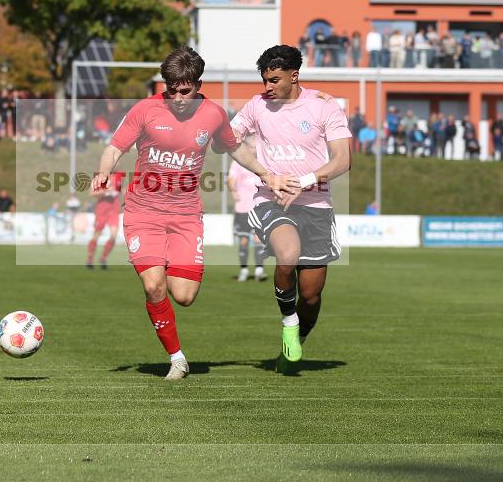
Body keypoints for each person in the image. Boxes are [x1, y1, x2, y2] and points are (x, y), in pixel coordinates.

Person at [90, 47, 244, 381]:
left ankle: (174, 271)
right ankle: (177, 359)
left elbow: (234, 148)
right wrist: (104, 171)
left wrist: (268, 173)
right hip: (142, 212)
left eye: (184, 90)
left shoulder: (214, 114)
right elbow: (115, 147)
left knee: (184, 296)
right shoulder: (145, 109)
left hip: (186, 216)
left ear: (198, 84)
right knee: (154, 285)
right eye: (170, 89)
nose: (176, 96)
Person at [229, 44, 352, 373]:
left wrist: (305, 181)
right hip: (271, 199)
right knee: (288, 254)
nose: (266, 87)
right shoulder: (256, 106)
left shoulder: (325, 107)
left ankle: (296, 335)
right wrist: (265, 174)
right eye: (264, 80)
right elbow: (227, 139)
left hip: (316, 206)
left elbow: (343, 160)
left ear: (294, 76)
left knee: (311, 297)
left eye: (273, 80)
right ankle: (288, 323)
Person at [227, 142, 267, 282]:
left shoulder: (263, 163)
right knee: (243, 240)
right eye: (252, 147)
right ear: (247, 148)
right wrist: (233, 192)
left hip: (258, 208)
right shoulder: (239, 163)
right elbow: (231, 179)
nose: (254, 150)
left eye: (256, 147)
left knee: (258, 239)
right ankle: (244, 270)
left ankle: (259, 270)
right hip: (243, 208)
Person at [86, 172, 124, 270]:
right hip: (102, 210)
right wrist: (105, 191)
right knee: (96, 235)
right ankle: (90, 259)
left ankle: (103, 258)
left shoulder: (119, 176)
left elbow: (119, 191)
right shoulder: (100, 176)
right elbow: (91, 193)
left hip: (114, 211)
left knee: (113, 236)